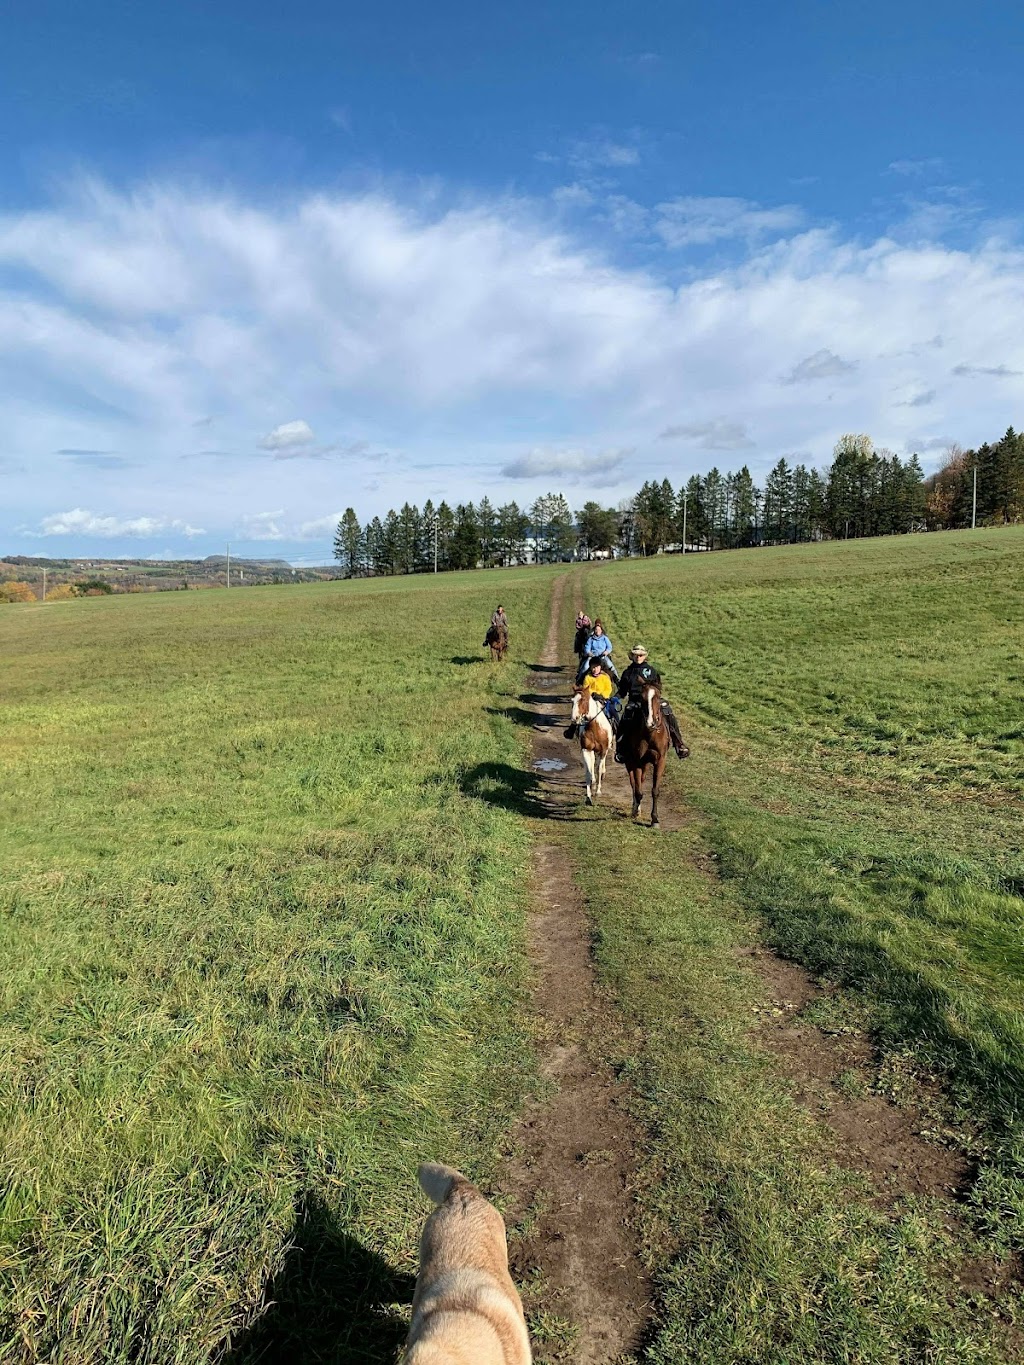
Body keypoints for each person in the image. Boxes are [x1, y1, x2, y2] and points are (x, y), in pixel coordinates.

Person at [613, 644, 689, 760]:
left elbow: (658, 687)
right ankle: (621, 748)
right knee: (626, 716)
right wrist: (615, 698)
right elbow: (623, 691)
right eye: (636, 655)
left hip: (652, 699)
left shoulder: (651, 670)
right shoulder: (627, 673)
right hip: (635, 701)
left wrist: (654, 696)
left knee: (667, 710)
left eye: (641, 655)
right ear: (632, 656)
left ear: (644, 656)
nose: (638, 657)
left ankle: (678, 743)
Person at [563, 657, 613, 739]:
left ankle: (616, 728)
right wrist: (592, 694)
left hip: (603, 699)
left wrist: (602, 695)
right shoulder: (588, 677)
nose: (595, 669)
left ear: (600, 667)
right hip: (591, 699)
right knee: (580, 710)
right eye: (593, 667)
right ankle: (572, 728)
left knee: (613, 712)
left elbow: (608, 689)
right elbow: (586, 689)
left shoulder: (605, 677)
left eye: (597, 667)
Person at [575, 618, 618, 684]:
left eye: (599, 630)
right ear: (594, 630)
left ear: (601, 630)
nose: (597, 631)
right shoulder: (591, 639)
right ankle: (579, 680)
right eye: (596, 629)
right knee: (585, 667)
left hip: (602, 656)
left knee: (610, 666)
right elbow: (587, 647)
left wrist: (606, 652)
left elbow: (609, 647)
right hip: (593, 656)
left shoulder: (605, 638)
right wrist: (589, 653)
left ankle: (617, 681)